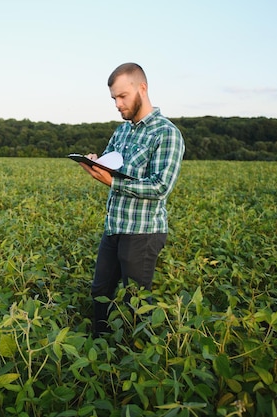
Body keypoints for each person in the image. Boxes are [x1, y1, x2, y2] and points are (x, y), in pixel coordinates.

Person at [77, 62, 185, 338]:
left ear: (142, 88)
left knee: (135, 300)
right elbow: (109, 164)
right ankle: (100, 347)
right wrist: (94, 164)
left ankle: (136, 353)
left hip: (143, 232)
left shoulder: (166, 133)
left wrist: (113, 181)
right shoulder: (122, 131)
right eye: (114, 98)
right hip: (114, 226)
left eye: (122, 96)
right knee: (100, 291)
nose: (117, 104)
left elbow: (160, 187)